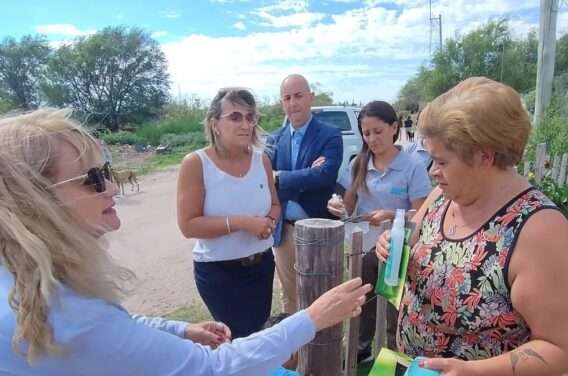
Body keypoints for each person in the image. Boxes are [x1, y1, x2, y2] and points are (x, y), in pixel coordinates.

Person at [0, 108, 371, 376]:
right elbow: (213, 368)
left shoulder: (29, 280)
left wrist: (177, 329)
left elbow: (116, 326)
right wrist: (314, 317)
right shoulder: (68, 318)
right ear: (34, 198)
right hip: (221, 272)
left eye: (108, 172)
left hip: (258, 265)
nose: (112, 187)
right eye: (93, 178)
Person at [375, 77, 568, 375]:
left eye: (441, 161)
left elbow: (562, 348)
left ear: (484, 156)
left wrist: (476, 371)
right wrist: (392, 243)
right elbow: (414, 240)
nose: (433, 172)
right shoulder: (441, 197)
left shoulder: (540, 232)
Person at [327, 101, 432, 363]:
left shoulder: (413, 166)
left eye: (378, 131)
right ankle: (360, 351)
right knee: (363, 304)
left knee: (394, 310)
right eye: (366, 133)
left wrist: (390, 215)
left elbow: (423, 215)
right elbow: (348, 206)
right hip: (362, 250)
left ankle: (394, 357)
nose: (371, 139)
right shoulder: (358, 164)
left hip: (398, 253)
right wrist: (337, 205)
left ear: (394, 128)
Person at [177, 88, 279, 338]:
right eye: (235, 117)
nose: (245, 124)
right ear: (215, 124)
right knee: (239, 341)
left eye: (250, 117)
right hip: (219, 273)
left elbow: (275, 205)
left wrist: (269, 222)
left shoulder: (262, 160)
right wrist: (244, 223)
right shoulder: (196, 163)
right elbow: (189, 225)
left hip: (261, 267)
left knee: (259, 337)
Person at [266, 74, 343, 314]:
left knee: (322, 295)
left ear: (311, 97)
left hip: (318, 227)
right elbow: (263, 177)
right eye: (287, 98)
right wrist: (308, 172)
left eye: (298, 96)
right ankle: (295, 351)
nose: (293, 103)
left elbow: (325, 175)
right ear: (282, 103)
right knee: (290, 296)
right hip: (285, 230)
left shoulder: (330, 134)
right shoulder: (274, 139)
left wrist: (280, 176)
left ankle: (324, 349)